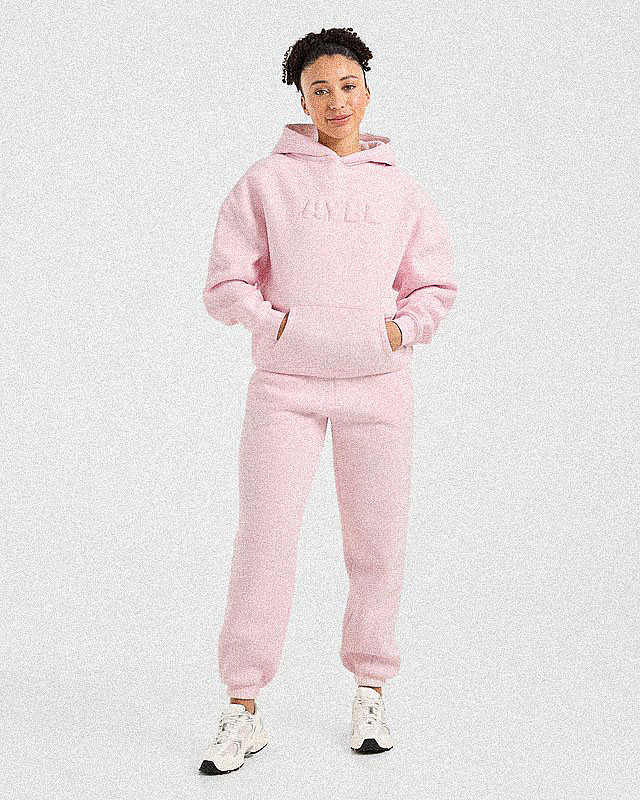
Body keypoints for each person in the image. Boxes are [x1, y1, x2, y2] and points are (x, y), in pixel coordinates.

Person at [198, 26, 458, 774]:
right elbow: (224, 283)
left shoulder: (402, 190)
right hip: (285, 388)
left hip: (379, 388)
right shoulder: (266, 181)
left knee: (376, 545)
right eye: (320, 89)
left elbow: (435, 285)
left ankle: (370, 691)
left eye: (348, 85)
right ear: (302, 100)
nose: (336, 100)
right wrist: (276, 324)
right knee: (265, 540)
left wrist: (398, 331)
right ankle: (242, 707)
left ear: (367, 91)